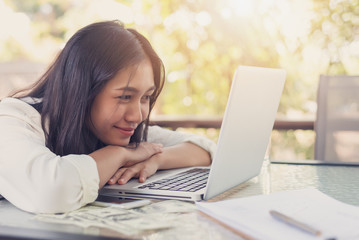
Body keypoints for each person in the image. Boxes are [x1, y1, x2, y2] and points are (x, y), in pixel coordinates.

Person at [0, 20, 216, 214]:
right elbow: (51, 191)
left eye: (146, 97)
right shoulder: (15, 118)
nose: (138, 115)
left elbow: (205, 149)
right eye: (125, 96)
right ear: (82, 90)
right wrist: (118, 154)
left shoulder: (112, 129)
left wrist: (156, 160)